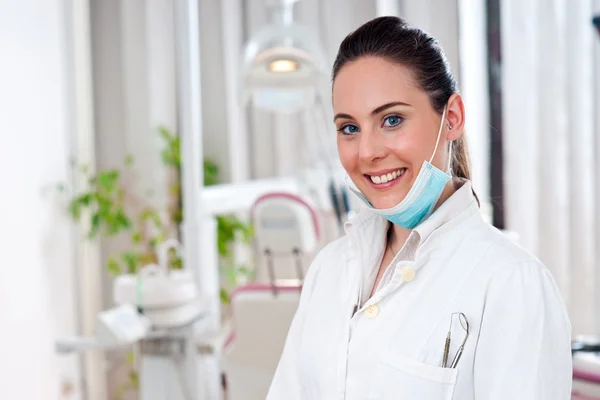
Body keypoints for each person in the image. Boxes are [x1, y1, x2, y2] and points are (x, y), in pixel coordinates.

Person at [266, 15, 572, 400]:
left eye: (392, 120)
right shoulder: (328, 271)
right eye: (349, 128)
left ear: (453, 118)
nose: (368, 152)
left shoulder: (513, 284)